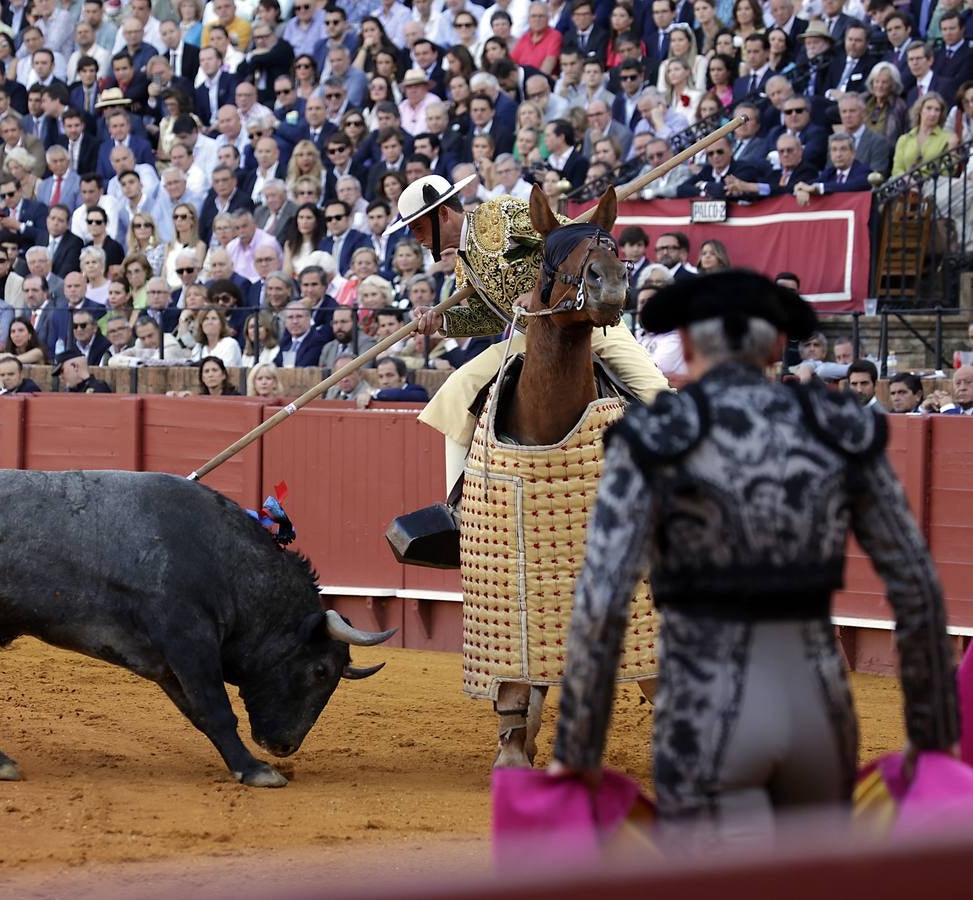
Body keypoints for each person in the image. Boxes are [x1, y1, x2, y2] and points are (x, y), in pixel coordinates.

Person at [549, 270, 959, 851]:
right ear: (774, 347)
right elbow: (917, 588)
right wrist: (935, 741)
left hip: (705, 701)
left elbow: (601, 602)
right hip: (816, 701)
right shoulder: (839, 425)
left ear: (686, 347)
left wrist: (577, 754)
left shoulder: (655, 434)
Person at [404, 173, 670, 495]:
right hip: (533, 338)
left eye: (418, 226)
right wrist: (442, 322)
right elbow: (487, 319)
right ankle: (458, 503)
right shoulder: (464, 265)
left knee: (655, 391)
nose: (415, 236)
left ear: (443, 213)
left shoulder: (498, 214)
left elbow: (570, 238)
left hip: (586, 324)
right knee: (458, 389)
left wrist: (537, 291)